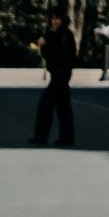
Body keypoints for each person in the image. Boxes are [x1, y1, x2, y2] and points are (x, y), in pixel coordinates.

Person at [32, 12, 79, 147]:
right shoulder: (53, 33)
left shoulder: (64, 34)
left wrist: (44, 46)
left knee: (47, 104)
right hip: (57, 74)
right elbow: (48, 55)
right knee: (62, 106)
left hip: (61, 74)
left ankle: (43, 136)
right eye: (52, 18)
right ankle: (65, 138)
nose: (54, 21)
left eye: (57, 18)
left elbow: (59, 53)